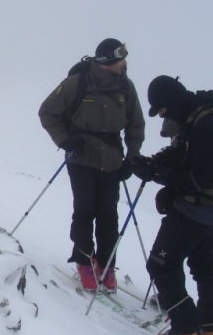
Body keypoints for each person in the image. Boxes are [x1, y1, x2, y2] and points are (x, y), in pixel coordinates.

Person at [132, 76, 213, 335]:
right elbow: (186, 159)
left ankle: (185, 332)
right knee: (205, 265)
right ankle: (212, 331)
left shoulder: (205, 124)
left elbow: (197, 179)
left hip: (196, 209)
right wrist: (155, 164)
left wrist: (157, 174)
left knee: (161, 265)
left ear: (172, 101)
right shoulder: (201, 116)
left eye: (162, 110)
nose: (163, 116)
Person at [38, 38, 145, 293]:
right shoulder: (78, 83)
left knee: (108, 213)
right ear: (108, 61)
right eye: (120, 59)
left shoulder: (126, 87)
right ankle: (84, 261)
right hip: (82, 156)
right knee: (84, 209)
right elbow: (47, 111)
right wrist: (65, 141)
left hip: (111, 160)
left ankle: (107, 265)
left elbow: (136, 124)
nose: (125, 63)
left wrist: (132, 157)